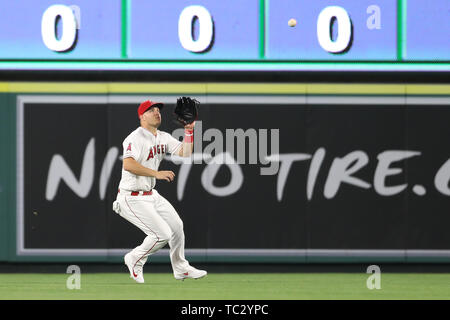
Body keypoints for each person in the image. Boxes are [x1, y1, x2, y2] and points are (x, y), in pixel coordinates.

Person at [112, 99, 207, 283]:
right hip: (130, 197)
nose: (157, 112)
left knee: (177, 227)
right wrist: (157, 174)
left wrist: (189, 130)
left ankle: (181, 268)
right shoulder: (135, 138)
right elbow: (129, 164)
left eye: (158, 109)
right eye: (151, 110)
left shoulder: (162, 136)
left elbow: (184, 153)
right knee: (162, 234)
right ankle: (134, 258)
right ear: (142, 116)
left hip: (150, 195)